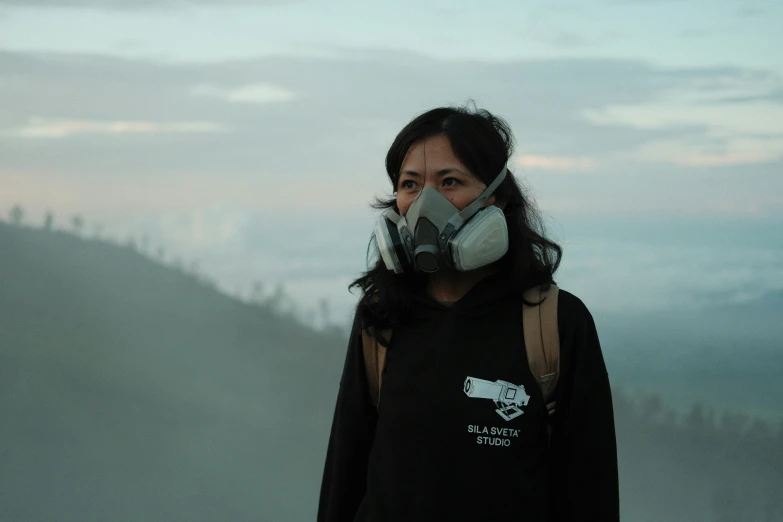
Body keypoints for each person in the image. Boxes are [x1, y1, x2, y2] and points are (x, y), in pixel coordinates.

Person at [317, 105, 619, 522]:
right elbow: (344, 476)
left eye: (451, 182)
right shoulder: (381, 317)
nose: (425, 203)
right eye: (410, 184)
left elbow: (591, 493)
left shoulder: (554, 322)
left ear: (495, 195)